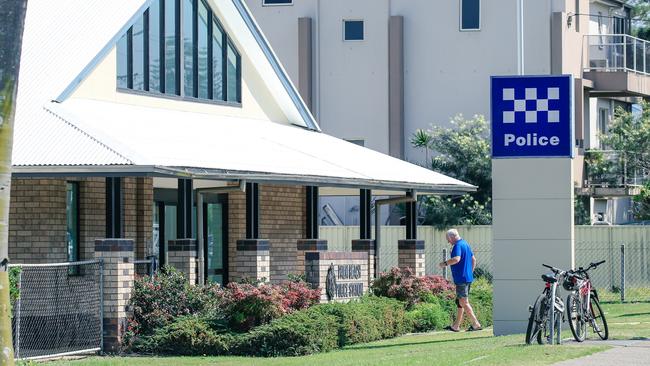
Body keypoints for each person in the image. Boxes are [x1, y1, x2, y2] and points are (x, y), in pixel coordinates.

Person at [438, 228, 482, 332]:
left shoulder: (457, 245)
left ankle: (476, 324)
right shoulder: (465, 244)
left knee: (463, 301)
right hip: (467, 277)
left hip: (461, 278)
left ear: (451, 237)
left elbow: (456, 259)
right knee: (459, 302)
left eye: (448, 239)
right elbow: (473, 259)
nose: (448, 241)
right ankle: (456, 326)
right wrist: (469, 272)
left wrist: (444, 264)